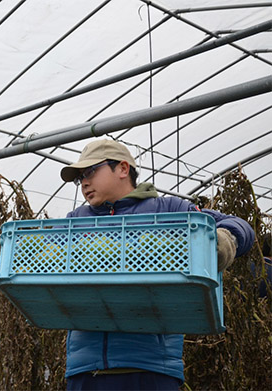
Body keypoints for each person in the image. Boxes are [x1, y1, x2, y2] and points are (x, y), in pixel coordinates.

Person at [59, 139, 255, 391]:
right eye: (79, 178)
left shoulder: (169, 210)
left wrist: (223, 240)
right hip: (85, 370)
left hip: (150, 368)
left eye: (90, 172)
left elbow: (238, 226)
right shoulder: (75, 220)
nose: (84, 182)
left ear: (122, 169)